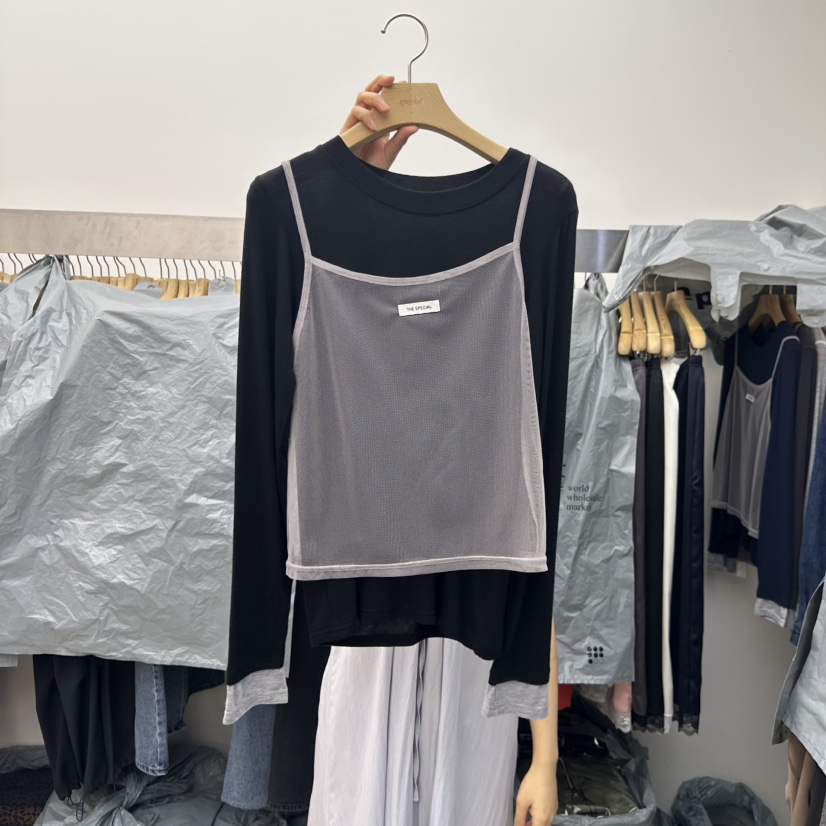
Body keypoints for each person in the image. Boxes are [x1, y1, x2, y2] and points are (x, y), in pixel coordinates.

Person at [336, 73, 560, 826]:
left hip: (475, 691)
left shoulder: (497, 411)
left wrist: (544, 759)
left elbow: (535, 576)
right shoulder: (354, 398)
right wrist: (348, 179)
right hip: (364, 677)